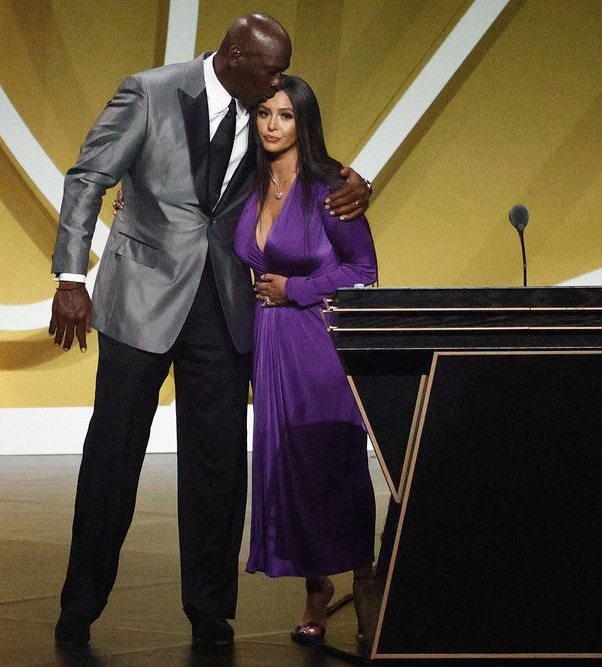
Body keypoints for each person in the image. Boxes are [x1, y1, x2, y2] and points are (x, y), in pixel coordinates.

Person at [47, 14, 371, 649]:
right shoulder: (150, 92)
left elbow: (308, 166)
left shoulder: (263, 114)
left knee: (218, 465)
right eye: (271, 70)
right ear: (236, 57)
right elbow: (89, 177)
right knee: (113, 456)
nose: (278, 83)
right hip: (140, 298)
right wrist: (70, 277)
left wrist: (363, 184)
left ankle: (209, 609)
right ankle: (80, 604)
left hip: (223, 308)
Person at [233, 75, 379, 648]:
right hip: (270, 346)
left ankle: (365, 583)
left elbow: (364, 272)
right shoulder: (245, 182)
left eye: (286, 115)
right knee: (288, 470)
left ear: (304, 122)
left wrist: (295, 289)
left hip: (318, 345)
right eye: (264, 113)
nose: (272, 124)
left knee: (333, 466)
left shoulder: (332, 190)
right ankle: (316, 592)